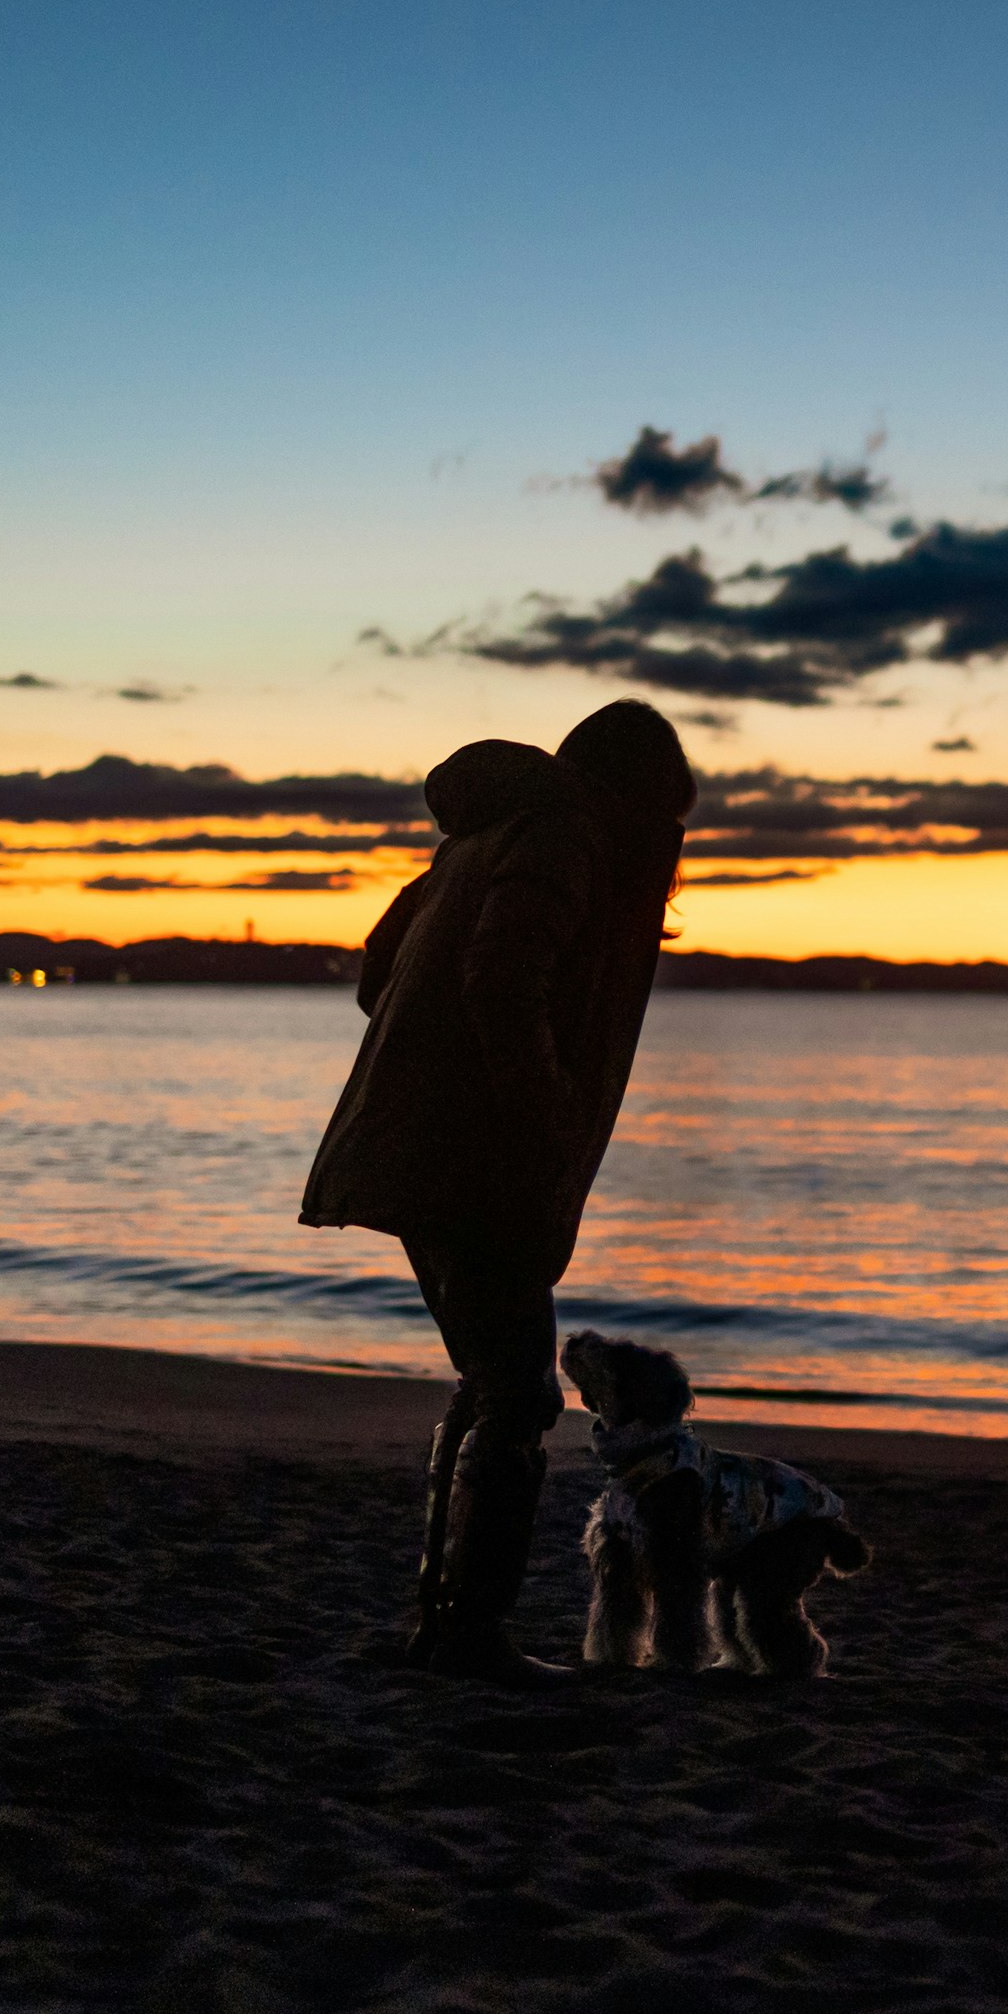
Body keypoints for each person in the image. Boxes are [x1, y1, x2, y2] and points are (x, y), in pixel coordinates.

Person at [301, 701, 694, 1682]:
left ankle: (446, 1621)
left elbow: (379, 970)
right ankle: (464, 1633)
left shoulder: (488, 840)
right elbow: (503, 973)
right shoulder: (566, 839)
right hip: (471, 1161)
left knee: (495, 1382)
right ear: (639, 797)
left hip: (430, 1149)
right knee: (519, 1392)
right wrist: (545, 1107)